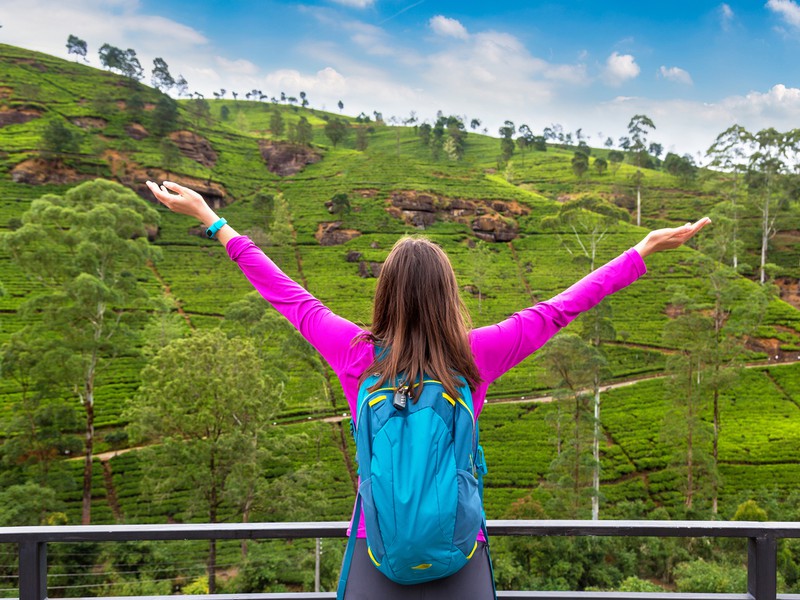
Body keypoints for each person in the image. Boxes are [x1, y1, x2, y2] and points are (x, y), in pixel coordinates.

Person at [146, 180, 711, 599]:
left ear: (385, 292)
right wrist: (643, 250)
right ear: (448, 293)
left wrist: (212, 220)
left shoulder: (354, 353)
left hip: (377, 545)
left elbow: (285, 293)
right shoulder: (476, 355)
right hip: (459, 548)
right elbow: (562, 308)